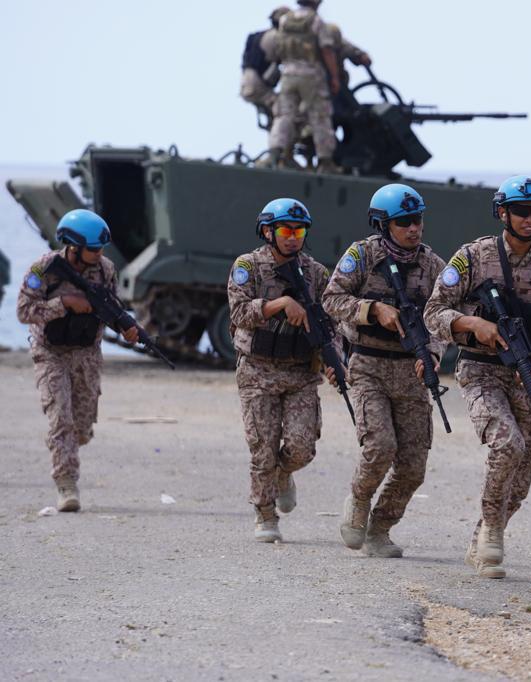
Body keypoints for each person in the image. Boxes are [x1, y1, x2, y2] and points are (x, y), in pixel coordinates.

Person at [423, 175, 531, 579]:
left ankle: (482, 537)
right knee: (507, 444)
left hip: (526, 374)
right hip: (480, 370)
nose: (529, 219)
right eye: (521, 211)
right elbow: (433, 311)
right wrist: (472, 324)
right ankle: (492, 532)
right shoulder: (473, 258)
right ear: (502, 213)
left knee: (522, 477)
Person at [322, 184, 445, 557]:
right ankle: (359, 500)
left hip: (411, 373)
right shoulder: (362, 255)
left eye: (417, 220)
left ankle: (380, 529)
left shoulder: (433, 266)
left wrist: (433, 353)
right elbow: (331, 299)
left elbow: (442, 317)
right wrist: (372, 310)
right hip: (368, 367)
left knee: (413, 466)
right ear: (383, 224)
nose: (413, 228)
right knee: (380, 446)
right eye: (404, 222)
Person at [16, 209, 139, 511]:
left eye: (101, 249)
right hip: (51, 353)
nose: (99, 254)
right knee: (61, 419)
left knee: (81, 428)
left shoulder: (105, 270)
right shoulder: (45, 269)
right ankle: (66, 484)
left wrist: (125, 328)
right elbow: (24, 311)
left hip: (86, 354)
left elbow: (110, 306)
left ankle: (67, 442)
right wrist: (64, 304)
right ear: (73, 246)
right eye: (93, 249)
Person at [227, 198, 331, 542]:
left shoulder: (315, 273)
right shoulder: (249, 266)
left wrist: (335, 360)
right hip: (257, 371)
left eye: (299, 232)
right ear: (268, 232)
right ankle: (265, 515)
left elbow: (330, 322)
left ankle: (284, 474)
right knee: (262, 449)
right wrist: (281, 304)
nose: (293, 238)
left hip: (300, 372)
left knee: (302, 447)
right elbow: (239, 312)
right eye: (286, 230)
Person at [267, 0, 342, 173]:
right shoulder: (316, 20)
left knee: (284, 115)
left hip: (288, 74)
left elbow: (278, 46)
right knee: (320, 116)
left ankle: (275, 153)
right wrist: (334, 77)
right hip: (312, 76)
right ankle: (325, 161)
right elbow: (327, 50)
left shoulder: (285, 19)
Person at [240, 7, 290, 113]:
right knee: (286, 111)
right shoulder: (277, 37)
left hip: (246, 84)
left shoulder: (260, 35)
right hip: (258, 85)